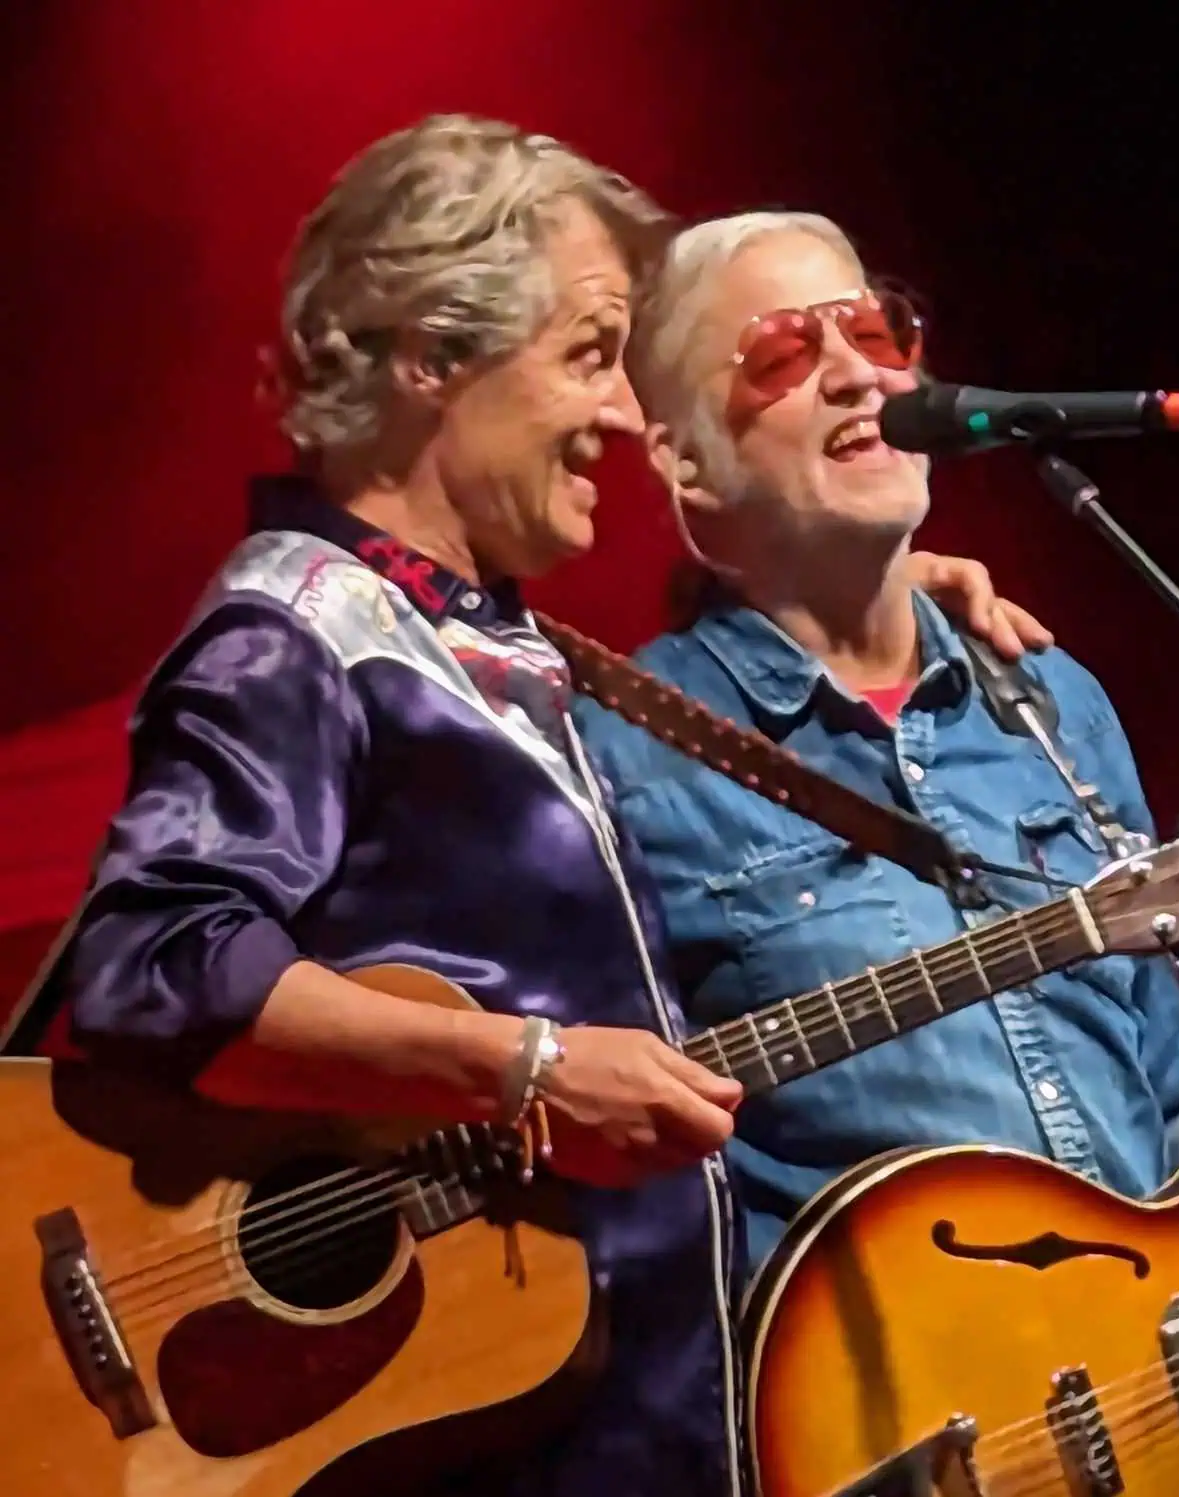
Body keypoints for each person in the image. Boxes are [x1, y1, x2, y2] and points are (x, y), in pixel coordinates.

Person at [15, 119, 1049, 1496]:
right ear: (435, 359)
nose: (624, 413)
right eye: (588, 354)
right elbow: (155, 963)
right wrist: (534, 1069)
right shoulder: (300, 628)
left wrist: (885, 600)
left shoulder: (476, 644)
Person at [575, 208, 1179, 1333]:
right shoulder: (620, 753)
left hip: (1166, 1363)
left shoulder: (1050, 704)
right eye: (784, 355)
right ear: (683, 461)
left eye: (877, 332)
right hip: (902, 1408)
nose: (859, 376)